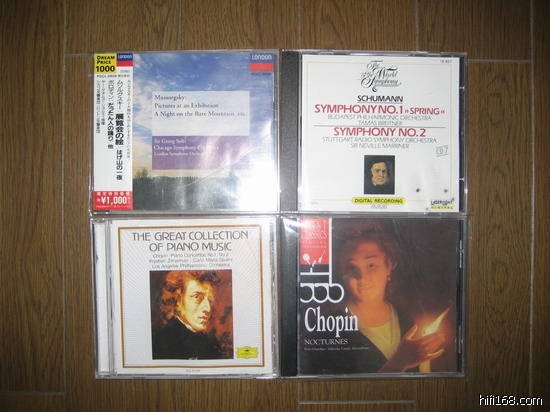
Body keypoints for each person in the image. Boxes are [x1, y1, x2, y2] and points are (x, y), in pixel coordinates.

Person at [152, 270, 224, 360]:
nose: (207, 309)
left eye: (209, 300)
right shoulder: (162, 342)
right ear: (177, 301)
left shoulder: (209, 342)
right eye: (197, 297)